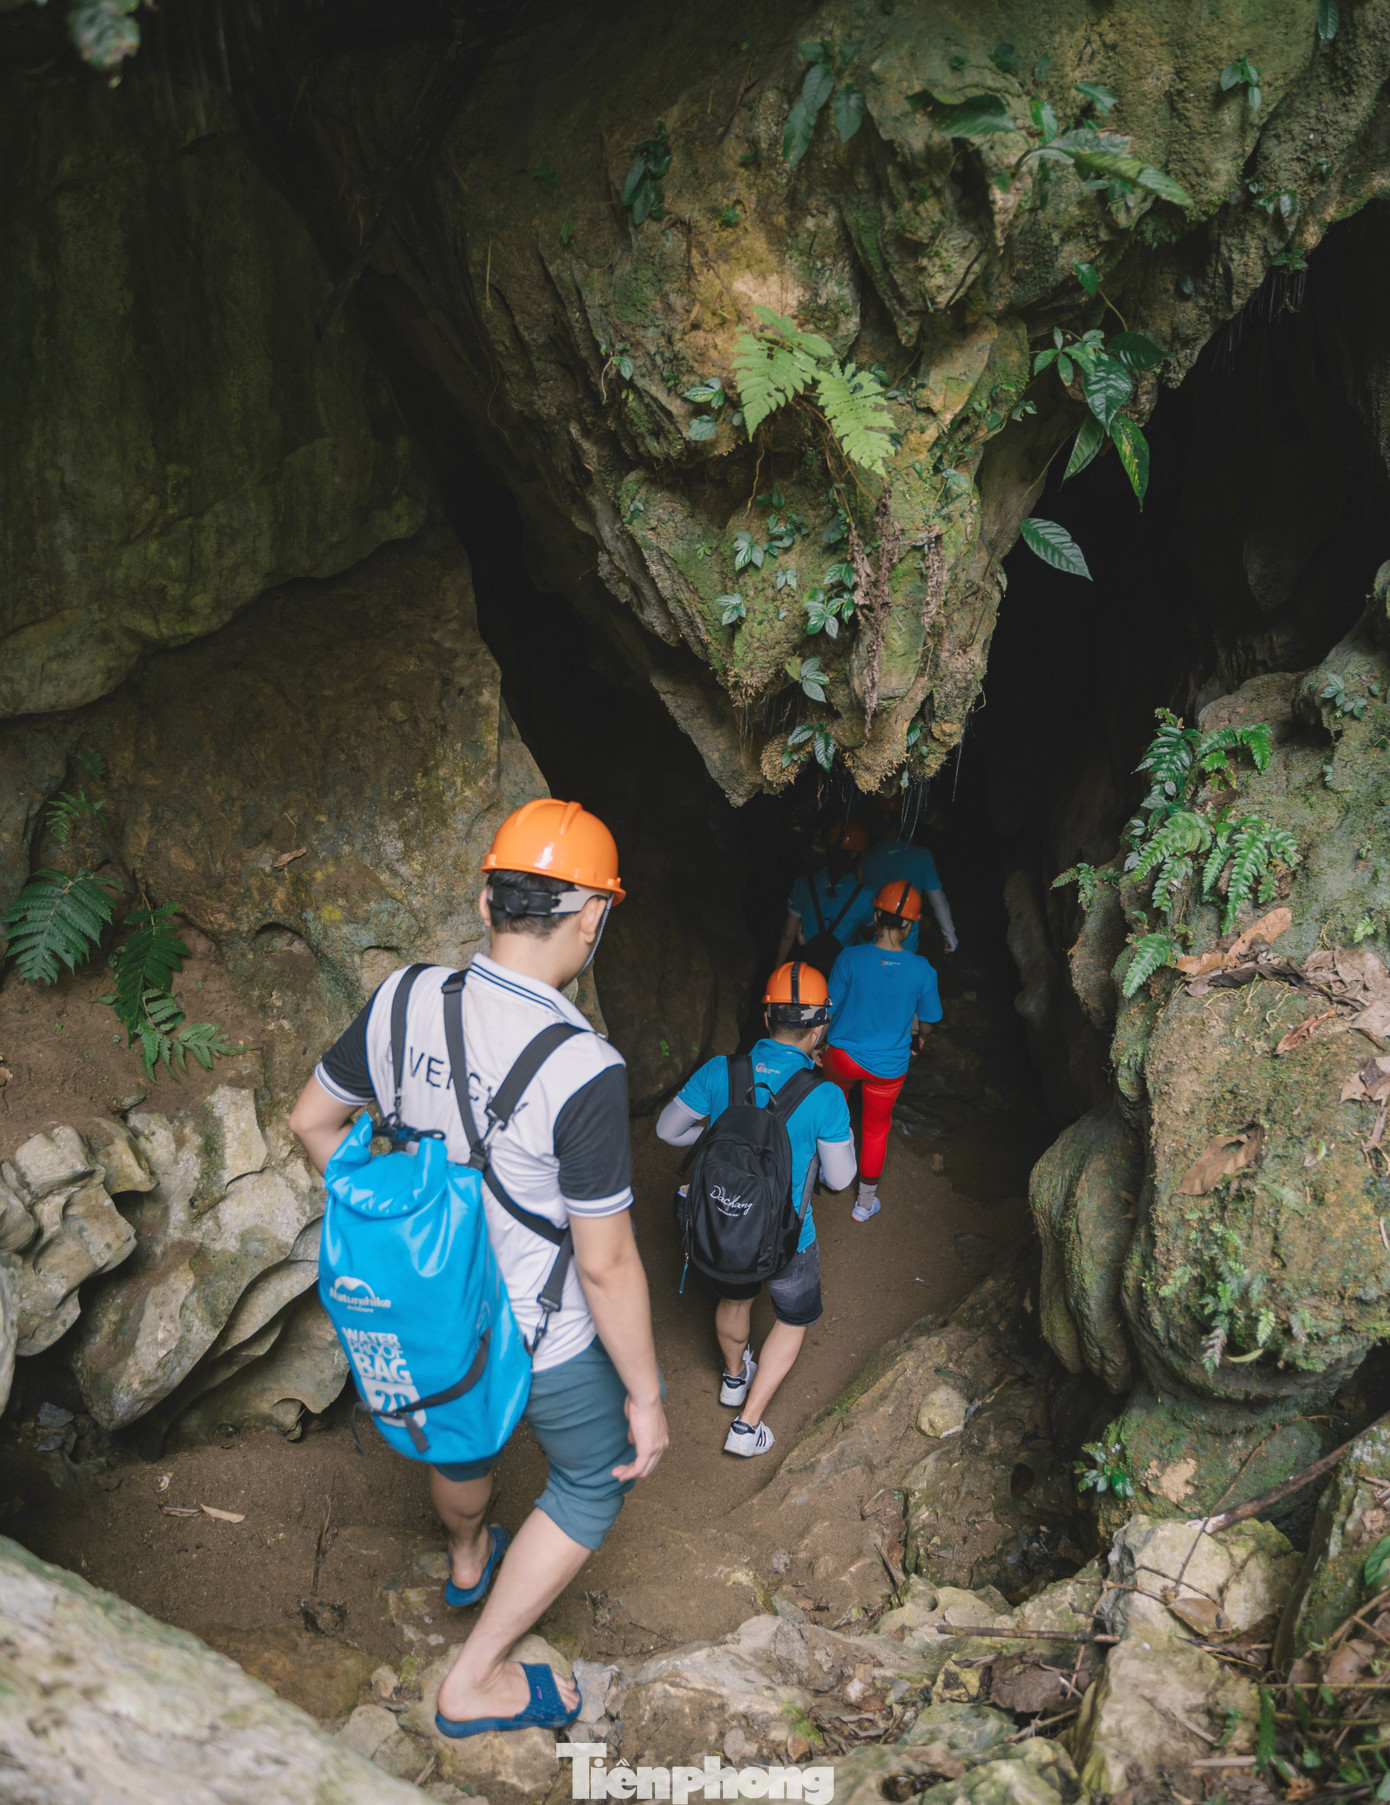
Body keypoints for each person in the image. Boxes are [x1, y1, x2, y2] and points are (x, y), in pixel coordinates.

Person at [288, 798, 667, 1738]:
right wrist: (648, 1395)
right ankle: (477, 1677)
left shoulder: (402, 996)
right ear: (592, 917)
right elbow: (608, 1261)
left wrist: (387, 1216)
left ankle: (466, 1558)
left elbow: (313, 1124)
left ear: (488, 897)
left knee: (459, 1434)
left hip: (427, 1315)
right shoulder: (585, 1069)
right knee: (590, 1480)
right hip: (540, 1331)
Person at [654, 961, 856, 1458]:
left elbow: (667, 1131)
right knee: (792, 1318)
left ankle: (732, 1378)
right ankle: (746, 1429)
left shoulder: (721, 1070)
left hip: (726, 1223)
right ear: (820, 1026)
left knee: (735, 1299)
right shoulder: (825, 1095)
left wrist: (721, 1137)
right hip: (790, 1235)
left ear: (766, 1019)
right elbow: (842, 1178)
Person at [824, 882, 943, 1223]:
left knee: (833, 1113)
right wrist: (917, 1035)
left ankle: (828, 1175)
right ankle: (863, 1204)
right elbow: (930, 1021)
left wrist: (819, 1045)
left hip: (841, 1057)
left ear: (875, 915)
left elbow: (828, 1010)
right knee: (876, 1129)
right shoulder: (922, 969)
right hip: (888, 1066)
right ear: (911, 925)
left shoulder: (849, 957)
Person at [775, 820, 875, 972]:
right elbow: (868, 936)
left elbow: (788, 934)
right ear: (857, 857)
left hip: (807, 970)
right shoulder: (865, 895)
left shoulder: (804, 884)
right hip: (840, 974)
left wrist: (778, 970)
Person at [859, 806, 957, 958]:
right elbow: (938, 900)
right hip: (905, 948)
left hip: (868, 947)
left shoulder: (865, 858)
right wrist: (950, 936)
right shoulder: (921, 856)